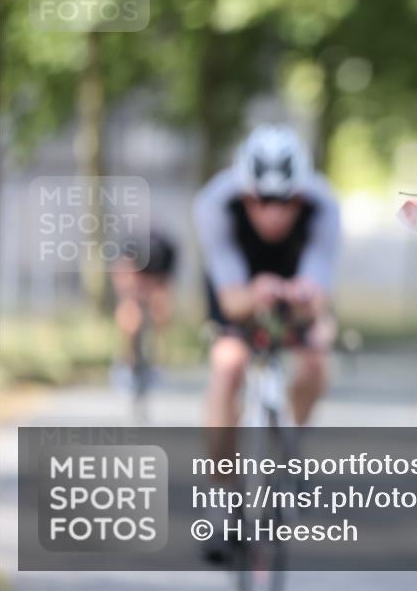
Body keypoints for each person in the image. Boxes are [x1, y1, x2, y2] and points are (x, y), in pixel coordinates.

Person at [193, 124, 340, 556]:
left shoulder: (324, 204)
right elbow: (230, 298)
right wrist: (256, 291)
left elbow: (317, 295)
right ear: (244, 194)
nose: (273, 214)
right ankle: (223, 498)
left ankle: (289, 450)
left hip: (295, 281)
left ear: (301, 196)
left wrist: (303, 298)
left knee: (316, 357)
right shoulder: (214, 203)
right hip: (238, 284)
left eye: (285, 202)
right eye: (261, 201)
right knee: (228, 364)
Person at [110, 229, 178, 394]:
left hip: (159, 263)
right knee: (130, 313)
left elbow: (164, 291)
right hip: (131, 258)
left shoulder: (166, 254)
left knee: (160, 309)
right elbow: (124, 286)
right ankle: (126, 363)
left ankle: (156, 363)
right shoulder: (128, 258)